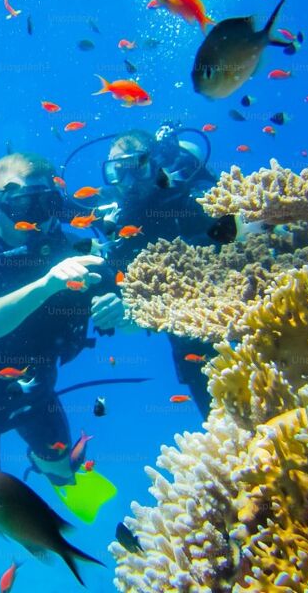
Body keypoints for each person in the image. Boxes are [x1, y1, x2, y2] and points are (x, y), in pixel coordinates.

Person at [0, 153, 125, 532]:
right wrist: (48, 282)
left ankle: (46, 471)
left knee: (62, 470)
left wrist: (119, 311)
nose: (38, 219)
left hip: (36, 390)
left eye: (47, 204)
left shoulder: (70, 249)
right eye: (22, 204)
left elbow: (132, 318)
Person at [97, 126, 218, 417]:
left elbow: (224, 239)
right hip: (183, 330)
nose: (128, 181)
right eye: (118, 171)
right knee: (208, 394)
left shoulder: (186, 196)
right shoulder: (115, 214)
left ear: (155, 166)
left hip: (225, 302)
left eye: (137, 169)